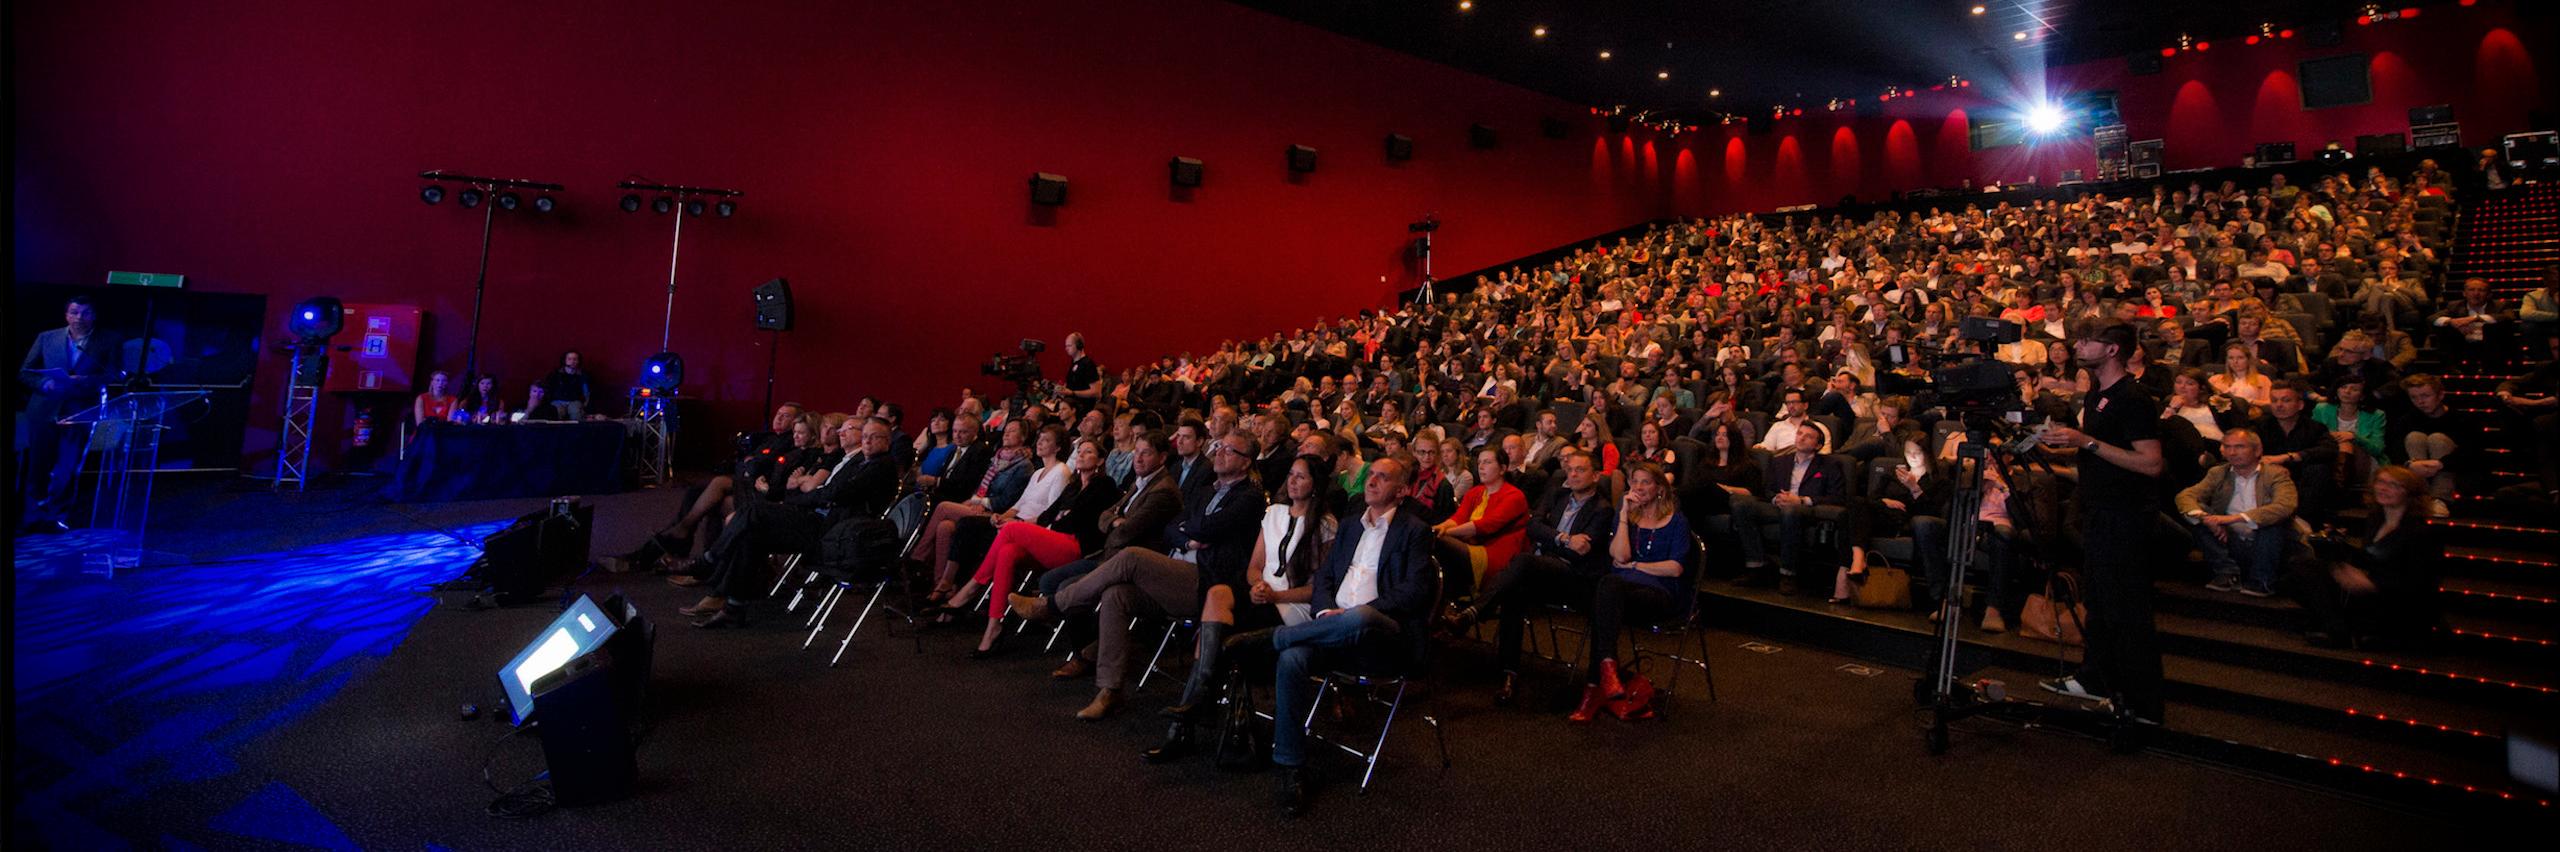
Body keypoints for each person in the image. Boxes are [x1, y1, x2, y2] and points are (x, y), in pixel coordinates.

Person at [1014, 432, 1263, 720]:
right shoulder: (1206, 490)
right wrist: (1186, 539)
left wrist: (1191, 531)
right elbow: (1173, 528)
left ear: (1246, 463)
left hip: (1207, 583)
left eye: (1230, 450)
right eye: (1219, 446)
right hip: (1175, 571)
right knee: (1115, 594)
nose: (1219, 452)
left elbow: (1210, 528)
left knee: (1132, 556)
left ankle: (1052, 605)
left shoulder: (1250, 497)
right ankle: (1110, 690)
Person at [1268, 455, 1435, 818]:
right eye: (1370, 474)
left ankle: (1277, 636)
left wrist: (1361, 612)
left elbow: (1415, 592)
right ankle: (1290, 766)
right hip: (1334, 631)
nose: (1371, 481)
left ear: (1402, 491)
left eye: (1383, 477)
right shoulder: (1349, 526)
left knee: (1359, 616)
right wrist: (1328, 611)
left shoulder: (1414, 531)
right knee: (1293, 658)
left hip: (1382, 637)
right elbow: (1325, 580)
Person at [1144, 452, 1337, 762]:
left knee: (1214, 632)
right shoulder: (1273, 513)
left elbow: (1319, 590)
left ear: (1315, 485)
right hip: (1261, 594)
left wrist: (1276, 597)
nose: (1292, 481)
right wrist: (1258, 585)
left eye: (1301, 476)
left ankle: (1184, 725)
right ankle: (1200, 700)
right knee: (1218, 593)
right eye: (1291, 474)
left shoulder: (1326, 526)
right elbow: (1254, 566)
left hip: (1293, 607)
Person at [2037, 322, 2169, 727]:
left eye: (2086, 341)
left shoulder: (2133, 397)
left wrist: (2085, 442)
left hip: (2126, 516)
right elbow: (2096, 459)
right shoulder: (2097, 393)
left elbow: (2151, 463)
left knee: (2127, 609)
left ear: (2113, 350)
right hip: (2098, 509)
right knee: (2099, 601)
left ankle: (2143, 704)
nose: (2077, 346)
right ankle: (2094, 677)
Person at [680, 417, 902, 627]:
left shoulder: (881, 466)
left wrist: (802, 497)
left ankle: (707, 562)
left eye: (875, 437)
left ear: (888, 441)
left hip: (831, 533)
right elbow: (828, 492)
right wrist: (808, 495)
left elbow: (836, 492)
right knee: (751, 531)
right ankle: (733, 607)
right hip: (819, 519)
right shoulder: (863, 462)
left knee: (753, 513)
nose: (868, 441)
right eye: (865, 436)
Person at [1443, 449, 1614, 704]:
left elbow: (1581, 552)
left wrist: (1551, 538)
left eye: (1581, 470)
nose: (1574, 474)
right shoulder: (1558, 494)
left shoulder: (1603, 509)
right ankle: (1508, 674)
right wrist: (1564, 539)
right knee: (1515, 590)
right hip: (1542, 569)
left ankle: (1473, 613)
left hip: (1575, 578)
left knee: (1522, 562)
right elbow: (1532, 527)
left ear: (1596, 475)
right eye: (1571, 469)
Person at [939, 437, 1122, 655]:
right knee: (1008, 551)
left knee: (1011, 530)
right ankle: (993, 627)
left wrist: (1039, 525)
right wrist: (1027, 523)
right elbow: (1047, 516)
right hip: (1055, 540)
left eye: (1088, 452)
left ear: (1101, 460)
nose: (1081, 455)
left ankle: (971, 588)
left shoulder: (1104, 484)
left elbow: (1076, 521)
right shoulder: (1073, 487)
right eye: (1079, 451)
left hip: (1077, 547)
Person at [1571, 461, 1692, 723]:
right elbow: (1620, 555)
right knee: (1607, 589)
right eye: (1634, 482)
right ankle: (1606, 674)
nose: (1639, 487)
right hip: (1622, 594)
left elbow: (1675, 569)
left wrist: (1637, 565)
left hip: (1660, 595)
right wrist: (1624, 514)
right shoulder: (1629, 516)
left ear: (1659, 488)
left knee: (1605, 592)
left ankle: (1595, 687)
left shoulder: (1676, 521)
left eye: (1645, 482)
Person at [2293, 466, 2443, 649]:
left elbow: (2420, 581)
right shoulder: (2376, 520)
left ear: (2409, 493)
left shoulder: (2421, 531)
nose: (2383, 488)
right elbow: (2370, 557)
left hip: (2398, 597)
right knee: (2302, 567)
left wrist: (2372, 584)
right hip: (2371, 586)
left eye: (2393, 485)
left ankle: (2339, 630)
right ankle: (2339, 628)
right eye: (2380, 482)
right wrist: (2338, 547)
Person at [17, 295, 122, 531]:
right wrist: (44, 384)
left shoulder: (109, 339)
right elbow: (25, 372)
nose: (79, 318)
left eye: (85, 313)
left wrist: (86, 380)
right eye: (74, 312)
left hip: (81, 410)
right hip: (44, 410)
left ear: (94, 315)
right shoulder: (47, 337)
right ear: (66, 315)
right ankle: (32, 517)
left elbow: (114, 374)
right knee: (38, 466)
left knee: (68, 467)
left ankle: (57, 516)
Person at [2177, 429, 2300, 598]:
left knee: (2272, 522)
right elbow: (2186, 496)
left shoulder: (2276, 474)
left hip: (2268, 542)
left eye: (2239, 447)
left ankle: (2262, 580)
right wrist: (2206, 519)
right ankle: (2228, 573)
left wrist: (2233, 518)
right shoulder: (2218, 472)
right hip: (2232, 539)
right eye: (2227, 447)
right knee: (2197, 514)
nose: (2232, 452)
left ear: (2257, 450)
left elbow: (2285, 505)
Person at [1735, 425, 1848, 595]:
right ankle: (1755, 565)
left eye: (1808, 436)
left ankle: (1788, 574)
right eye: (1800, 433)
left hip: (1808, 509)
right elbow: (1766, 490)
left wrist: (1801, 500)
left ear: (1818, 445)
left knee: (1791, 511)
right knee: (1741, 504)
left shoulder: (1830, 465)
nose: (1801, 438)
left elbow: (1837, 497)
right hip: (1778, 505)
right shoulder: (1780, 461)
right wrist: (1776, 498)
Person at [1434, 446, 1529, 600]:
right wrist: (1440, 528)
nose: (1481, 467)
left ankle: (1446, 599)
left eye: (1487, 462)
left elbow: (1486, 526)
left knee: (1438, 541)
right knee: (1433, 542)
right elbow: (1458, 518)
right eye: (1479, 463)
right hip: (1469, 544)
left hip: (1496, 554)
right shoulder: (1475, 492)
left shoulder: (1514, 496)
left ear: (1502, 469)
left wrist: (1442, 533)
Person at [539, 350, 595, 421]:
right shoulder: (555, 375)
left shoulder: (583, 376)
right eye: (569, 359)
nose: (572, 361)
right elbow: (548, 389)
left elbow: (587, 392)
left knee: (575, 412)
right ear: (565, 360)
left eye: (575, 359)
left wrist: (585, 405)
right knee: (556, 413)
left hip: (575, 401)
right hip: (557, 401)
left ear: (578, 361)